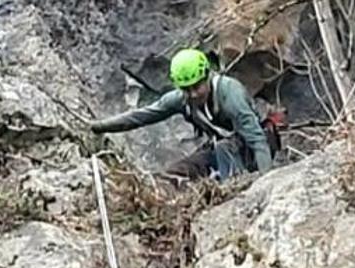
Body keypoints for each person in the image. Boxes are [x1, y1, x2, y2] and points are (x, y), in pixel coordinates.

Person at [90, 47, 281, 182]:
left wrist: (265, 183)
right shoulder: (181, 99)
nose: (193, 94)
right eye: (186, 89)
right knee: (178, 171)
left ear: (207, 76)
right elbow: (142, 116)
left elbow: (257, 140)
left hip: (254, 146)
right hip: (220, 148)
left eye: (197, 87)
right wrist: (98, 126)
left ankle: (232, 190)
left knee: (224, 148)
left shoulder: (231, 95)